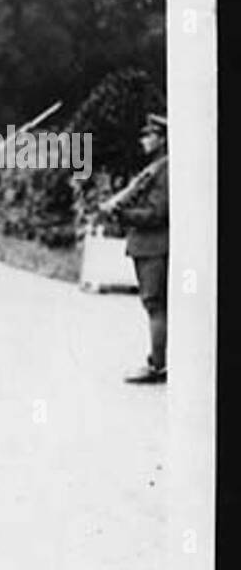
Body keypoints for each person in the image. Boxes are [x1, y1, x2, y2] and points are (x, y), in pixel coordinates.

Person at [111, 112, 169, 383]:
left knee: (154, 305)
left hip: (153, 246)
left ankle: (157, 365)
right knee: (156, 306)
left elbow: (157, 213)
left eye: (150, 135)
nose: (143, 140)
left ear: (163, 139)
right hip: (148, 246)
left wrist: (123, 214)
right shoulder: (156, 168)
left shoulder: (164, 169)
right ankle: (159, 360)